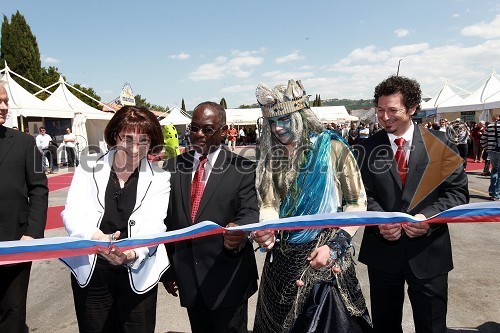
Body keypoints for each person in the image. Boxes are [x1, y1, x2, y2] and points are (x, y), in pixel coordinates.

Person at [252, 79, 371, 333]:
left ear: (302, 116)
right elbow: (269, 203)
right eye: (272, 122)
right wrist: (266, 228)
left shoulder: (334, 149)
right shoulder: (270, 156)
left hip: (325, 256)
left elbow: (357, 204)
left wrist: (335, 246)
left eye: (285, 120)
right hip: (282, 261)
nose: (277, 128)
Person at [356, 75, 469, 333]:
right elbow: (361, 196)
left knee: (432, 326)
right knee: (385, 326)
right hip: (383, 255)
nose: (384, 117)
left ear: (412, 108)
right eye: (380, 110)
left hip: (429, 254)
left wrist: (427, 219)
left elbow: (457, 193)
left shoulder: (441, 145)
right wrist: (380, 221)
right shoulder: (365, 148)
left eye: (393, 110)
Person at [61, 106, 171, 333]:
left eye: (144, 140)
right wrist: (96, 237)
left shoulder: (160, 178)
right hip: (93, 270)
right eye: (128, 139)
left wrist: (131, 255)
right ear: (114, 136)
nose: (135, 148)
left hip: (138, 270)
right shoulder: (88, 166)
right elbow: (72, 212)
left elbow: (155, 225)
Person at [162, 101, 259, 333]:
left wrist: (240, 231)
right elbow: (166, 222)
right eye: (194, 128)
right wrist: (168, 269)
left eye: (207, 129)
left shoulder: (243, 167)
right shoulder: (172, 167)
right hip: (189, 280)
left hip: (228, 280)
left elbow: (250, 211)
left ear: (224, 131)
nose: (198, 135)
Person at [0, 82, 48, 333]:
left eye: (6, 101)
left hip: (15, 242)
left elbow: (39, 188)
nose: (4, 106)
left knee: (12, 311)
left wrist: (32, 232)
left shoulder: (25, 143)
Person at [480, 115, 500, 200]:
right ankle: (496, 193)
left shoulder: (490, 126)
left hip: (491, 151)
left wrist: (487, 149)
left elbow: (482, 139)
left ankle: (492, 190)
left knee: (494, 170)